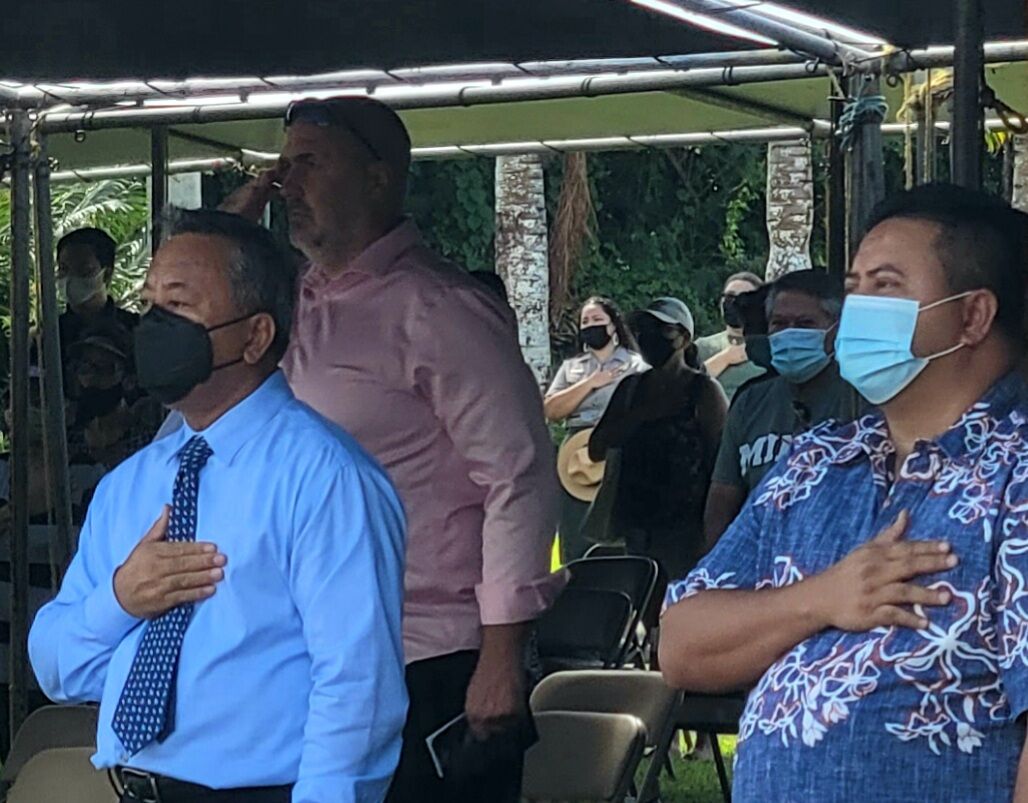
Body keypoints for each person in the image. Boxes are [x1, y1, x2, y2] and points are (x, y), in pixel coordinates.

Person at [221, 96, 562, 803]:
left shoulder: (438, 308)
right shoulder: (293, 305)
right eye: (283, 164)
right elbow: (192, 358)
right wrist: (228, 238)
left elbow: (518, 475)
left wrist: (500, 656)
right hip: (310, 654)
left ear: (379, 178)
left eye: (310, 162)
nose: (286, 182)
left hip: (430, 659)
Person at [659, 184, 1028, 802]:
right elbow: (681, 646)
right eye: (854, 288)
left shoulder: (1014, 473)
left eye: (886, 286)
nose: (859, 309)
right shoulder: (816, 461)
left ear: (972, 316)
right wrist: (820, 599)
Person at [29, 209, 408, 803]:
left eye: (178, 307)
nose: (153, 326)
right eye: (150, 303)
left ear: (255, 335)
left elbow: (358, 690)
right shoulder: (130, 486)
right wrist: (120, 600)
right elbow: (58, 671)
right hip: (130, 788)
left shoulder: (326, 478)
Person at [703, 269, 863, 547]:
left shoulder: (861, 399)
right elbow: (722, 501)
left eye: (804, 323)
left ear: (834, 329)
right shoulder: (750, 403)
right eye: (779, 323)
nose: (790, 333)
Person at [589, 297, 727, 579]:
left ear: (683, 337)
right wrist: (642, 415)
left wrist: (712, 528)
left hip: (687, 526)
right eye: (640, 329)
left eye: (659, 329)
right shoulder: (631, 388)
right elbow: (596, 447)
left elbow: (721, 463)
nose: (647, 337)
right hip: (637, 522)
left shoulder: (703, 390)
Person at [545, 297, 646, 563]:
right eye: (585, 321)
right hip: (576, 457)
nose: (591, 326)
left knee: (620, 533)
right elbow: (552, 410)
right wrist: (591, 383)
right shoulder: (571, 368)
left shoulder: (636, 364)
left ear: (613, 326)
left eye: (597, 320)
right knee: (575, 532)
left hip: (621, 450)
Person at [56, 227, 139, 360]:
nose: (71, 278)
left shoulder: (134, 331)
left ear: (106, 274)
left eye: (84, 270)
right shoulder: (50, 334)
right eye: (64, 269)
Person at [696, 272, 766, 401]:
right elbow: (679, 391)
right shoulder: (702, 348)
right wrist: (725, 358)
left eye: (745, 298)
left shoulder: (772, 350)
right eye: (730, 297)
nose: (735, 303)